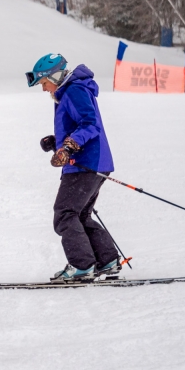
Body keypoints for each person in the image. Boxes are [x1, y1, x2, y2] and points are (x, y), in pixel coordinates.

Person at [27, 53, 120, 282]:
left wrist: (68, 146)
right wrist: (57, 142)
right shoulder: (69, 91)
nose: (43, 88)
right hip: (91, 162)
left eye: (44, 82)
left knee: (65, 214)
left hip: (85, 164)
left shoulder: (73, 91)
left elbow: (90, 124)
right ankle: (106, 260)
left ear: (56, 76)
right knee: (79, 215)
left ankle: (82, 266)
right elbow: (79, 125)